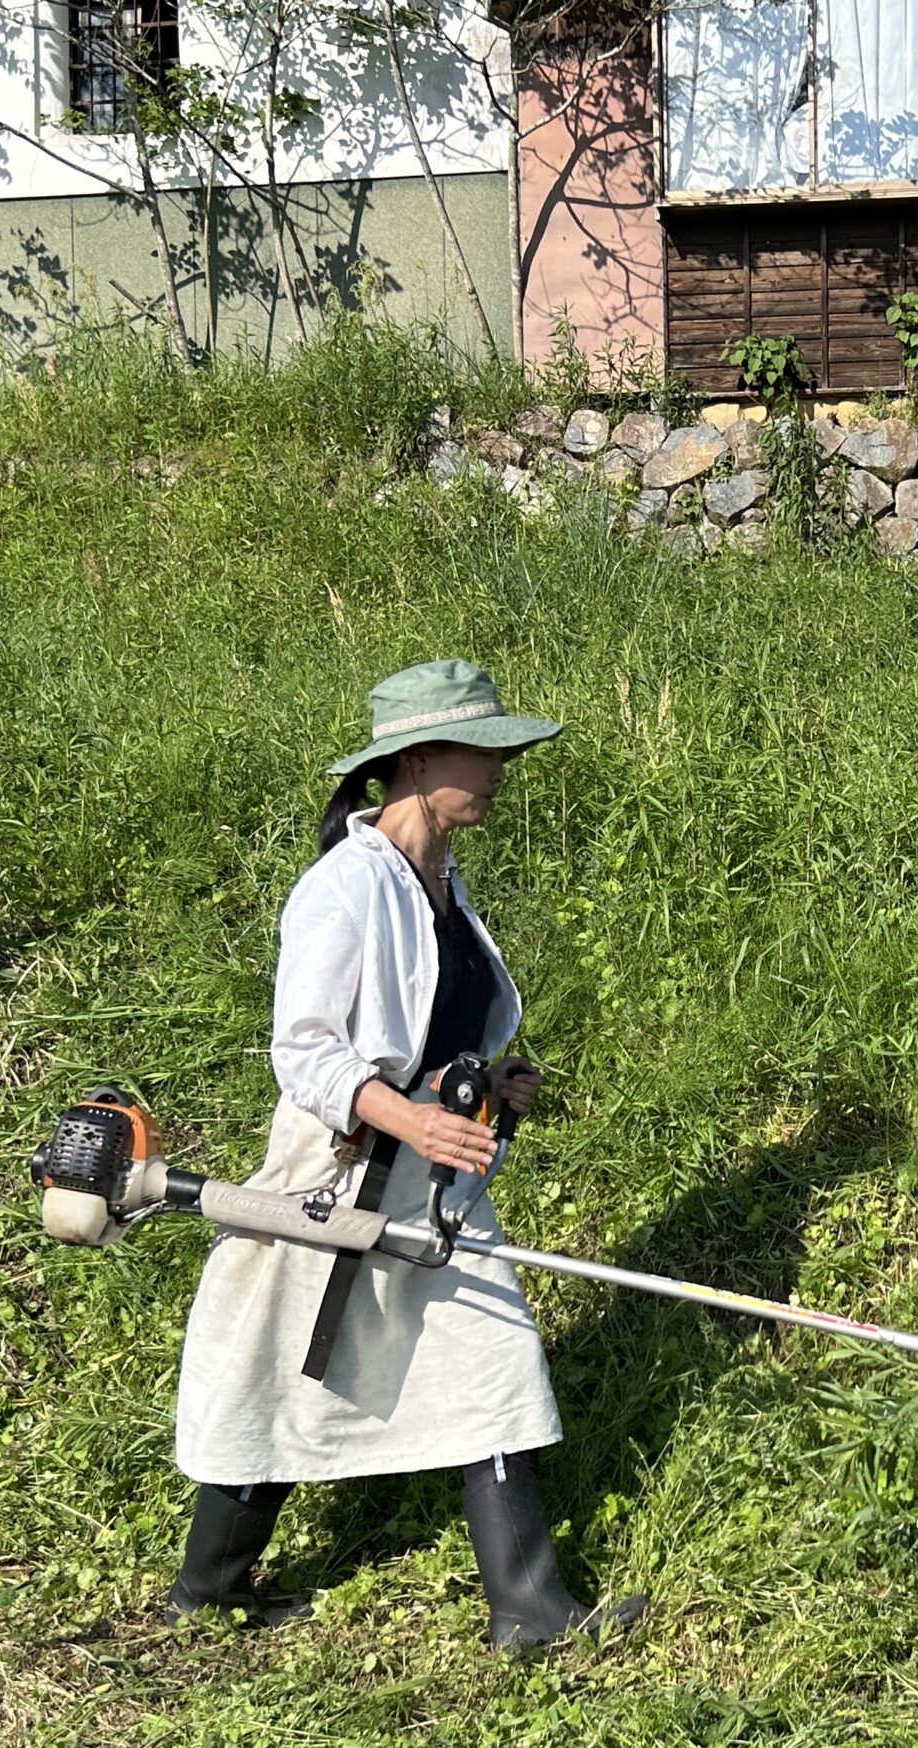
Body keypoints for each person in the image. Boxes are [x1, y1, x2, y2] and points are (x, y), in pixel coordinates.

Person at [165, 658, 645, 1648]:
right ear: (421, 758)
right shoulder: (343, 886)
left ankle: (530, 1610)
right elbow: (303, 1050)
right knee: (290, 1372)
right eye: (488, 750)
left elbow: (431, 1025)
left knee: (494, 1360)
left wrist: (486, 1081)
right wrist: (408, 1115)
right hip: (337, 1171)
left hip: (438, 1178)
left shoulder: (442, 879)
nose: (503, 768)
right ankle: (208, 1590)